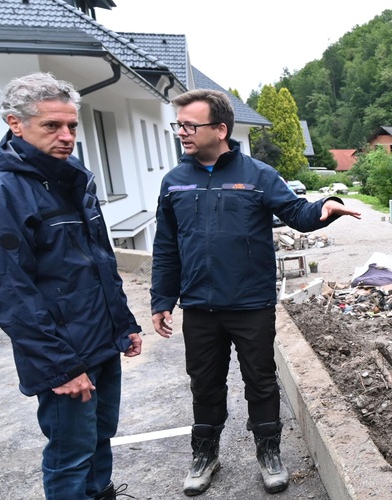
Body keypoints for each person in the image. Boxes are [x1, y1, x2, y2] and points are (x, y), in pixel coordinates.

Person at [150, 88, 361, 496]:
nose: (181, 132)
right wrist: (162, 299)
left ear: (220, 129)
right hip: (199, 306)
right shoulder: (174, 182)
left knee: (261, 381)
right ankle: (205, 454)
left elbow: (296, 213)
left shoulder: (259, 175)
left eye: (190, 125)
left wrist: (326, 206)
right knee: (204, 384)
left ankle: (269, 452)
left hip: (250, 304)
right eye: (179, 125)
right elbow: (166, 246)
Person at [0, 73, 143, 500]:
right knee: (70, 454)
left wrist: (123, 324)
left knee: (100, 436)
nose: (66, 136)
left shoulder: (70, 179)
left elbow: (96, 262)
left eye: (72, 126)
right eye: (52, 126)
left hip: (99, 340)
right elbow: (9, 291)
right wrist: (61, 366)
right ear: (15, 123)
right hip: (63, 353)